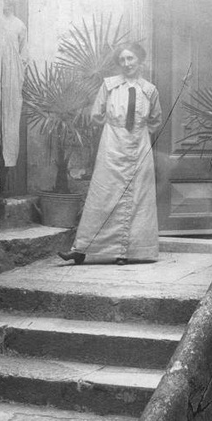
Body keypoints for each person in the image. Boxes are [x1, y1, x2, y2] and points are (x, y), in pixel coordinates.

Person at [59, 42, 162, 265]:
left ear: (139, 60)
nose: (126, 64)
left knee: (137, 198)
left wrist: (137, 131)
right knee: (102, 195)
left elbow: (155, 121)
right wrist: (116, 127)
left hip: (139, 146)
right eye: (122, 60)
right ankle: (81, 249)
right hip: (112, 145)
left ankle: (127, 252)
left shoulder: (150, 90)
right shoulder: (109, 86)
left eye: (130, 59)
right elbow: (97, 115)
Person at [0, 0, 28, 169]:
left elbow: (24, 55)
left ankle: (8, 165)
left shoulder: (19, 25)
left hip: (12, 76)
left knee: (11, 114)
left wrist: (17, 73)